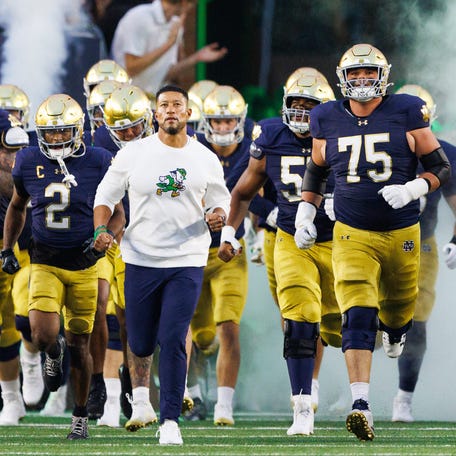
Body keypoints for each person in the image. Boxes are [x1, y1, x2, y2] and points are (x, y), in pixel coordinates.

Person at [293, 43, 450, 441]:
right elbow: (316, 168)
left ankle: (395, 332)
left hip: (402, 232)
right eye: (355, 73)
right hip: (351, 232)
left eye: (368, 73)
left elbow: (440, 166)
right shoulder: (326, 115)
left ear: (383, 75)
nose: (362, 80)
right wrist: (306, 211)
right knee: (358, 311)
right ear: (343, 77)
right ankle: (360, 403)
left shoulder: (407, 109)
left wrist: (415, 187)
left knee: (398, 316)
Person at [93, 84, 231, 445]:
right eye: (164, 105)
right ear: (154, 114)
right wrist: (100, 228)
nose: (171, 110)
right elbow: (105, 195)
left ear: (188, 113)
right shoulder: (133, 154)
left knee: (172, 337)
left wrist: (217, 216)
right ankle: (143, 401)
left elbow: (220, 201)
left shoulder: (204, 157)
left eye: (178, 105)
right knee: (139, 342)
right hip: (140, 256)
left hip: (187, 257)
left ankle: (170, 420)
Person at [218, 76, 341, 436]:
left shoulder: (340, 135)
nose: (301, 112)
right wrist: (232, 231)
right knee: (300, 318)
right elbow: (241, 191)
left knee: (339, 325)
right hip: (289, 237)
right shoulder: (271, 136)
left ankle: (354, 386)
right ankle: (303, 404)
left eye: (309, 105)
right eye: (296, 103)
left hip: (340, 240)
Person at [2, 94, 125, 439]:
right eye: (50, 132)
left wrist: (107, 236)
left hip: (85, 263)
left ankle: (81, 414)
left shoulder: (100, 160)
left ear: (79, 130)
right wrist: (6, 247)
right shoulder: (27, 160)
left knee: (79, 344)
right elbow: (17, 206)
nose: (56, 139)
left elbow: (118, 213)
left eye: (63, 132)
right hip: (45, 260)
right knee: (42, 334)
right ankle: (50, 353)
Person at [183, 85, 251, 426]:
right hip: (193, 251)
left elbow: (261, 191)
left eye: (229, 121)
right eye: (217, 121)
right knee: (198, 335)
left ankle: (224, 404)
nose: (223, 128)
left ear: (240, 120)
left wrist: (260, 221)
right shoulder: (188, 151)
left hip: (230, 253)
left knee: (228, 328)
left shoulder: (254, 147)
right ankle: (194, 395)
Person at [390, 84, 456, 422]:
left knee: (416, 322)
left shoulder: (444, 152)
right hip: (377, 239)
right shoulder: (379, 144)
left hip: (422, 242)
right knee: (362, 314)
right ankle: (353, 387)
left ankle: (404, 398)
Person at [110, 0, 227, 97]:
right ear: (185, 3)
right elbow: (131, 68)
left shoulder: (175, 24)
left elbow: (165, 74)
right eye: (192, 4)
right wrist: (168, 44)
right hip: (124, 98)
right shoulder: (138, 17)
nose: (191, 8)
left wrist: (196, 58)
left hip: (151, 101)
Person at [0, 110, 29, 426]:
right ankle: (11, 398)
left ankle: (13, 395)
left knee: (20, 317)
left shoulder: (6, 129)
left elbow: (15, 186)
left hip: (17, 247)